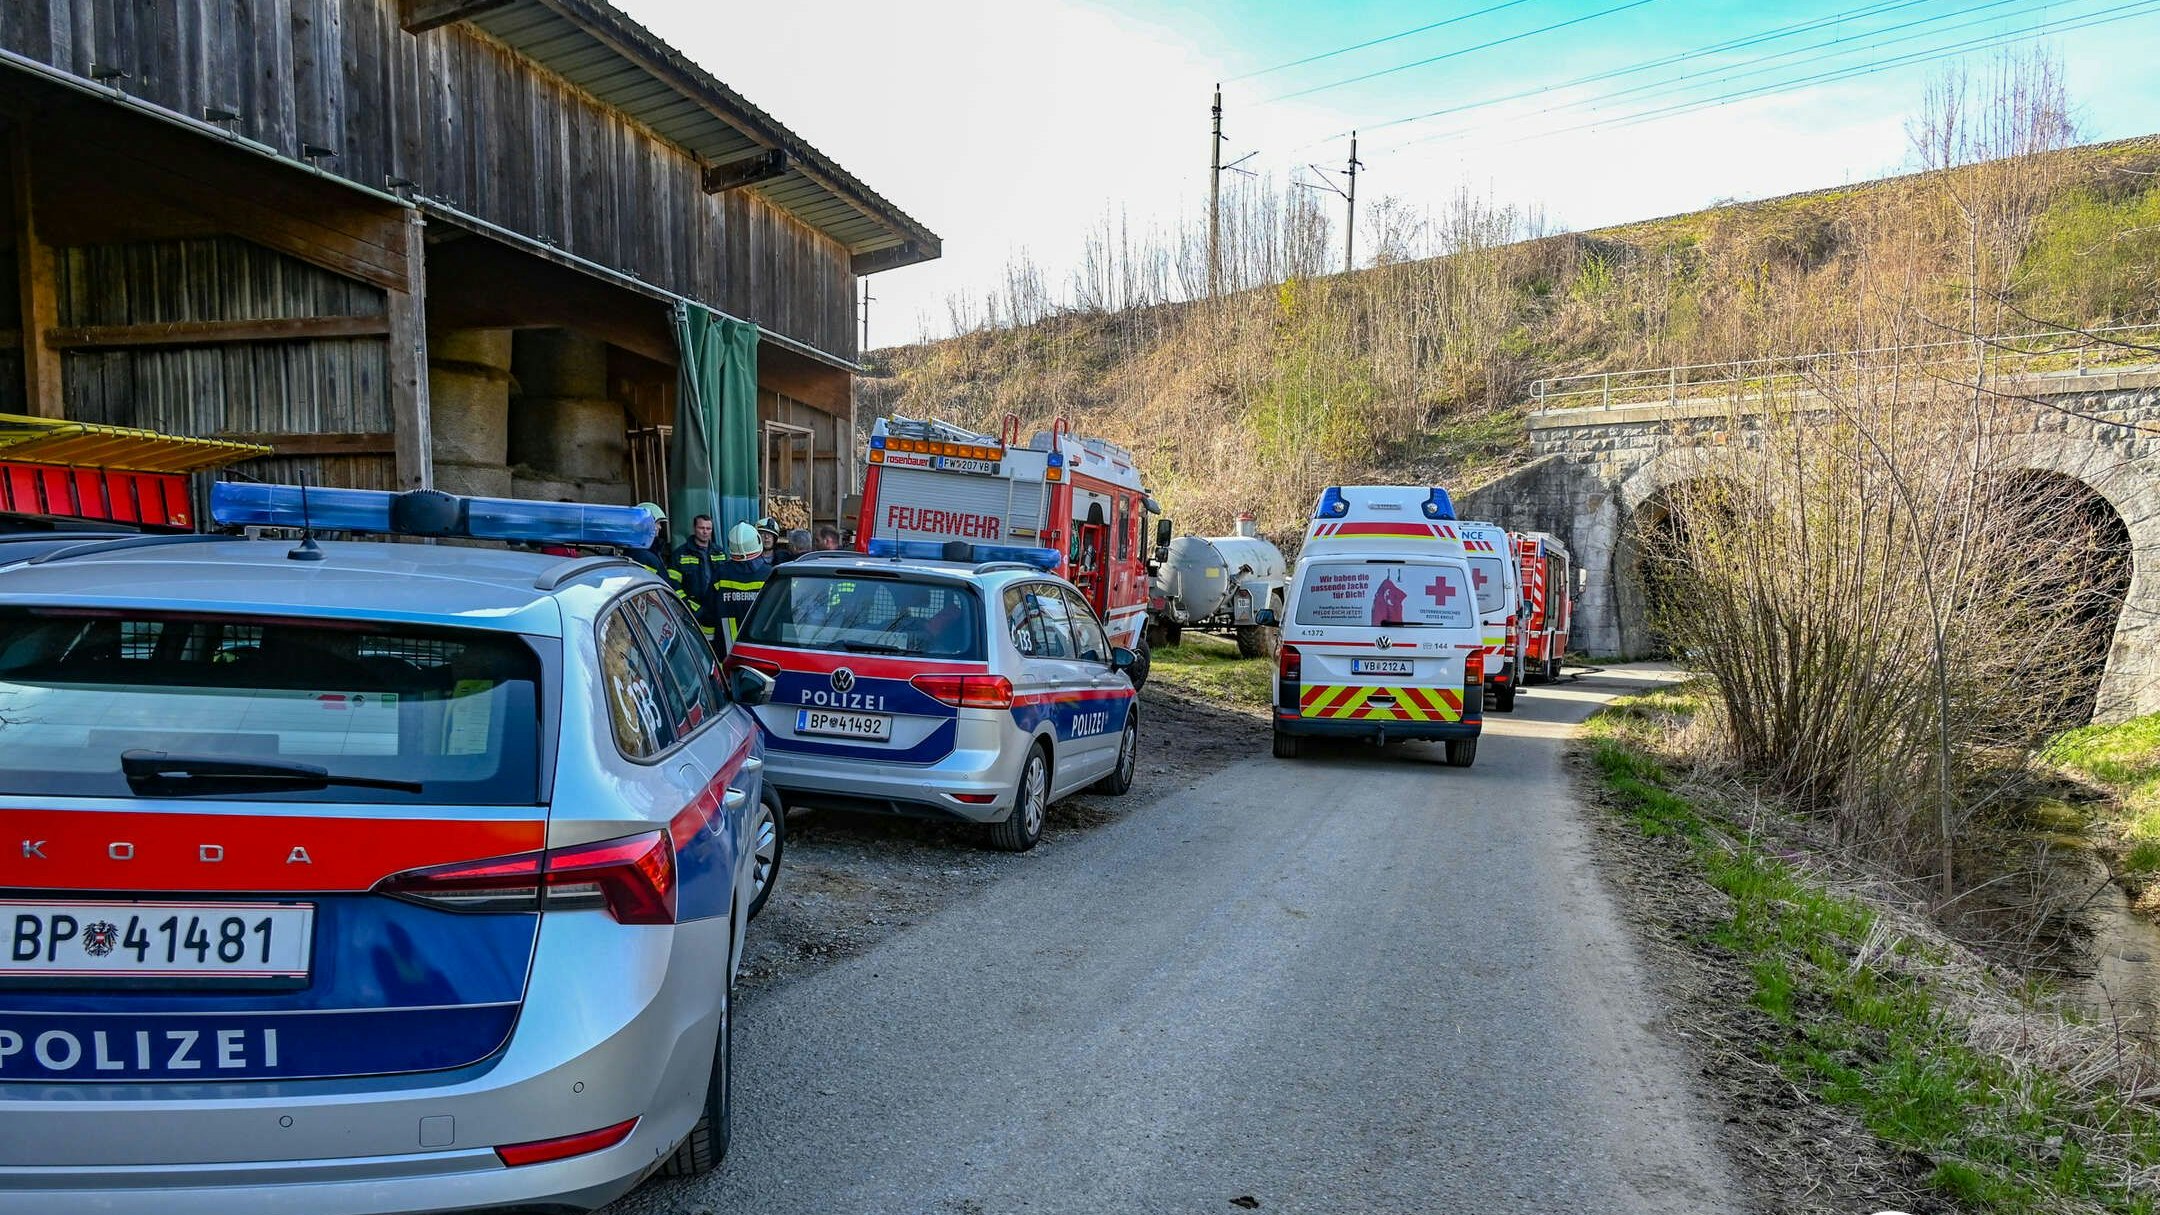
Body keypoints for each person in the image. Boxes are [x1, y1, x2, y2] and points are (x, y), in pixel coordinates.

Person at [710, 521, 772, 653]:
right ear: (757, 542)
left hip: (726, 655)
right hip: (761, 654)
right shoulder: (770, 575)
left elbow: (708, 615)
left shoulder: (721, 574)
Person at [672, 513, 723, 640]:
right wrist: (688, 606)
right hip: (692, 611)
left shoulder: (720, 552)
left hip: (716, 610)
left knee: (715, 646)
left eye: (708, 528)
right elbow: (673, 584)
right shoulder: (681, 554)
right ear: (694, 528)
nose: (705, 532)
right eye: (701, 528)